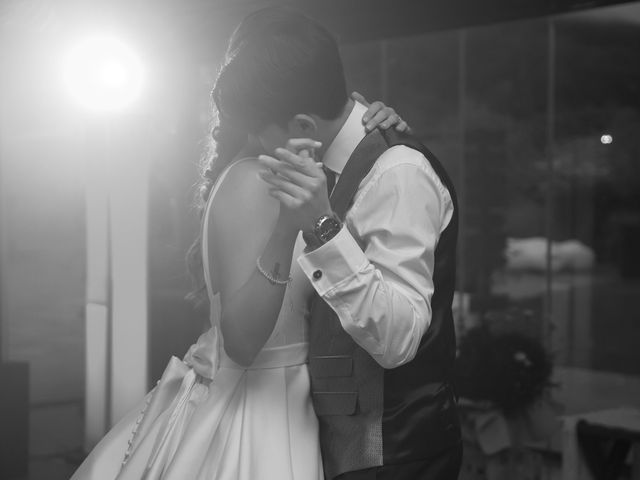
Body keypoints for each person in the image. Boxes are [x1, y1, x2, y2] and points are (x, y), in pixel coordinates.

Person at [70, 29, 408, 480]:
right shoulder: (255, 181)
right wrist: (287, 230)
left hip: (289, 399)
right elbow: (244, 344)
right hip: (256, 407)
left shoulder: (274, 173)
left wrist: (369, 132)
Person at [213, 7, 463, 480]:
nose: (254, 142)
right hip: (325, 445)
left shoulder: (399, 172)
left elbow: (399, 340)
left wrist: (323, 228)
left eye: (258, 130)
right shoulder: (321, 161)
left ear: (304, 126)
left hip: (394, 456)